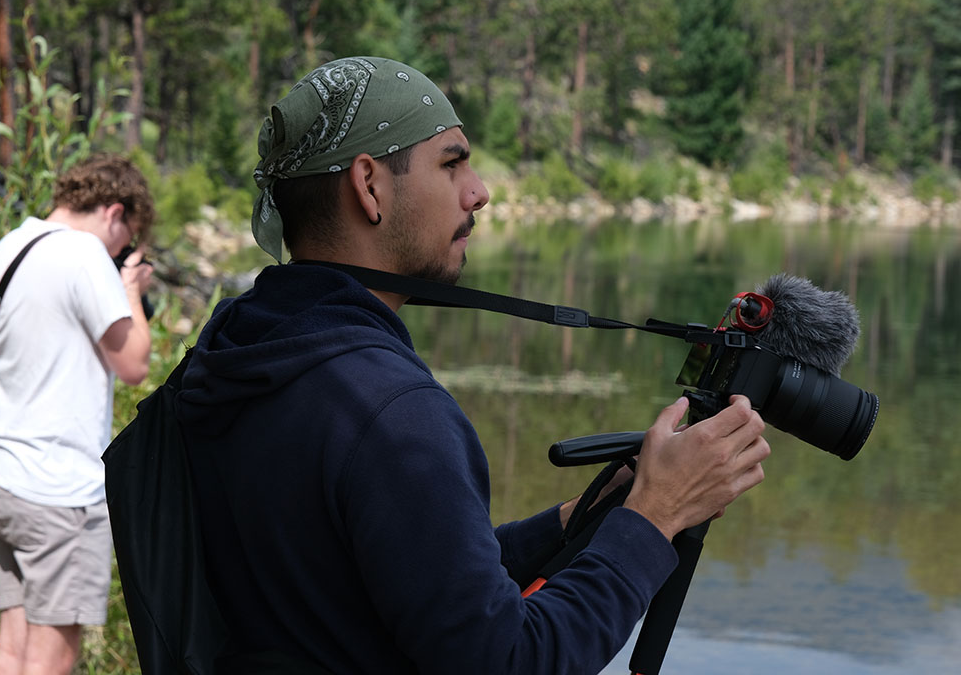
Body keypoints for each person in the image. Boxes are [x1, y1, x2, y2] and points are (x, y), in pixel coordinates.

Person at [176, 56, 770, 674]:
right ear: (369, 185)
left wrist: (597, 514)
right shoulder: (391, 413)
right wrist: (656, 518)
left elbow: (431, 586)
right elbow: (511, 658)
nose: (479, 191)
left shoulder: (239, 351)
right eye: (452, 162)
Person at [0, 154, 155, 675]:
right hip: (55, 490)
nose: (118, 253)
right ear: (114, 212)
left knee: (13, 646)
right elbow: (135, 362)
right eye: (124, 242)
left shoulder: (8, 247)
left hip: (0, 472)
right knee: (53, 658)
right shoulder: (83, 256)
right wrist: (130, 291)